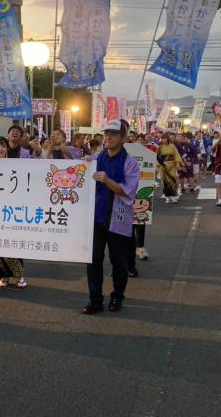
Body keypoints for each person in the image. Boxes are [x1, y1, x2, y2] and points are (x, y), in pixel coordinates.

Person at [83, 119, 139, 314]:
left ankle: (117, 297)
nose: (108, 137)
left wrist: (107, 180)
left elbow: (128, 192)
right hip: (96, 218)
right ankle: (95, 299)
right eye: (106, 133)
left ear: (123, 138)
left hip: (117, 219)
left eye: (113, 134)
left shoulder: (130, 163)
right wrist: (87, 163)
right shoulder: (98, 157)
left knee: (119, 262)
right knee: (93, 260)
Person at [0, 136, 28, 288]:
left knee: (10, 244)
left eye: (2, 146)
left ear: (7, 149)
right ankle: (3, 275)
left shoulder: (14, 165)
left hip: (9, 211)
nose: (0, 149)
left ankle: (19, 275)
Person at [157, 134, 183, 203]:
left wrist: (178, 164)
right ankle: (168, 196)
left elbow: (177, 155)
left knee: (172, 181)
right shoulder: (160, 148)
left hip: (172, 165)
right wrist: (159, 166)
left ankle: (174, 196)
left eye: (165, 138)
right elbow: (158, 158)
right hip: (163, 166)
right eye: (162, 139)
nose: (164, 140)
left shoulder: (172, 146)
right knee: (165, 182)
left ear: (168, 139)